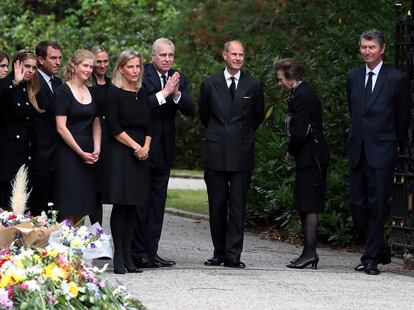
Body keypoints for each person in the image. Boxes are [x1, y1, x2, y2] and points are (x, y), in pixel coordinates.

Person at [347, 29, 411, 275]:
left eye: (371, 47)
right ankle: (381, 249)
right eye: (364, 47)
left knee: (377, 206)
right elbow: (355, 111)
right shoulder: (353, 76)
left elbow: (403, 116)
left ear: (382, 49)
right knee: (357, 204)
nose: (367, 51)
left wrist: (394, 144)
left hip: (383, 150)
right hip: (358, 151)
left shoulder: (396, 78)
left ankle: (371, 258)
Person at [199, 40, 264, 268]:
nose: (238, 58)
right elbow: (204, 116)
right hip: (216, 151)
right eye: (234, 54)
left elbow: (257, 116)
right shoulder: (209, 84)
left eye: (241, 55)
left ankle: (233, 255)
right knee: (217, 205)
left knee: (238, 205)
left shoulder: (253, 84)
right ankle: (219, 252)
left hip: (241, 151)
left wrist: (241, 135)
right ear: (224, 55)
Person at [132, 38, 195, 268]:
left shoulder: (178, 77)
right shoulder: (141, 74)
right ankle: (137, 252)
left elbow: (190, 110)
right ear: (153, 56)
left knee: (158, 204)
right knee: (141, 203)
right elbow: (140, 106)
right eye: (163, 55)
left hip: (165, 150)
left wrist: (176, 94)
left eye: (171, 55)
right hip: (143, 148)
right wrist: (164, 93)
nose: (168, 59)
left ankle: (152, 252)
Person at [274, 58, 329, 269]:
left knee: (309, 205)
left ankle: (310, 253)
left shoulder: (302, 96)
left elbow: (299, 131)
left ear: (291, 77)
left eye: (281, 79)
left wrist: (291, 150)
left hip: (311, 158)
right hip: (311, 156)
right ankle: (308, 253)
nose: (280, 83)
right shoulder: (303, 92)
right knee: (306, 205)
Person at [103, 50, 151, 274]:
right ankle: (119, 256)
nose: (135, 71)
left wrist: (146, 147)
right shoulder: (114, 93)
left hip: (142, 154)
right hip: (122, 152)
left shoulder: (143, 93)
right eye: (130, 66)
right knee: (121, 205)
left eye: (138, 67)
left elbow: (151, 125)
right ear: (121, 68)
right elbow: (114, 127)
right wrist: (136, 147)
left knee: (134, 205)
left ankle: (130, 255)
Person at [54, 49, 101, 226]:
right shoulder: (63, 91)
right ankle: (63, 248)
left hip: (89, 152)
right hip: (69, 152)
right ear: (74, 66)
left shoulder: (93, 92)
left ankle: (77, 245)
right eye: (85, 65)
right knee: (69, 202)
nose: (89, 70)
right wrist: (81, 152)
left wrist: (97, 148)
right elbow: (61, 127)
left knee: (84, 201)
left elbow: (96, 121)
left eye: (91, 66)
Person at [0, 50, 41, 209]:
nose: (30, 71)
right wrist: (13, 84)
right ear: (17, 64)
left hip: (25, 155)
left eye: (34, 68)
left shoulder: (29, 88)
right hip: (8, 157)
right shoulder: (6, 84)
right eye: (27, 66)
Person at [29, 41, 63, 216]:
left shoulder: (58, 83)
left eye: (59, 58)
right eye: (53, 58)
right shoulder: (32, 81)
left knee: (53, 208)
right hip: (39, 154)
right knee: (38, 206)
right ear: (41, 60)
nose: (58, 62)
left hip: (57, 154)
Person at [90, 45, 112, 225]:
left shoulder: (113, 84)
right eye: (98, 61)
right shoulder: (87, 84)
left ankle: (97, 232)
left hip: (111, 141)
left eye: (105, 61)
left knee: (102, 190)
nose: (102, 65)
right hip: (91, 139)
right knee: (91, 189)